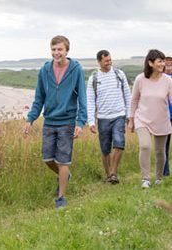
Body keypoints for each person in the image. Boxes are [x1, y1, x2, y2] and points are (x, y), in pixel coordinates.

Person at [23, 35, 87, 209]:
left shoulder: (76, 70)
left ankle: (61, 198)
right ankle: (64, 176)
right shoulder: (45, 71)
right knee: (47, 159)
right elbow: (39, 98)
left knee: (63, 160)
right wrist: (30, 119)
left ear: (67, 50)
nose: (56, 53)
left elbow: (82, 97)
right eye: (54, 49)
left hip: (68, 121)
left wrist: (80, 123)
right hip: (50, 120)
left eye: (60, 49)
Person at [128, 49, 172, 188]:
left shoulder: (168, 80)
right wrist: (131, 119)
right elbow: (134, 100)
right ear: (150, 63)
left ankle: (158, 177)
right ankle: (145, 179)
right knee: (145, 146)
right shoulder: (141, 79)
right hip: (143, 119)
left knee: (160, 151)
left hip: (162, 120)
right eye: (160, 61)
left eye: (163, 61)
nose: (163, 64)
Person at [87, 50, 131, 184]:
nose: (109, 63)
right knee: (105, 148)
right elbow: (90, 100)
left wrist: (129, 115)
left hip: (119, 115)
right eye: (106, 61)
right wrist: (91, 121)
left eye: (110, 60)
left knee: (119, 143)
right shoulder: (93, 78)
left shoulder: (119, 74)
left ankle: (113, 173)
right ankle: (108, 175)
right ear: (99, 62)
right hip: (102, 118)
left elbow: (127, 95)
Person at [164, 56, 172, 176]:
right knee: (164, 145)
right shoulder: (159, 79)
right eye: (167, 64)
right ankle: (165, 171)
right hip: (165, 115)